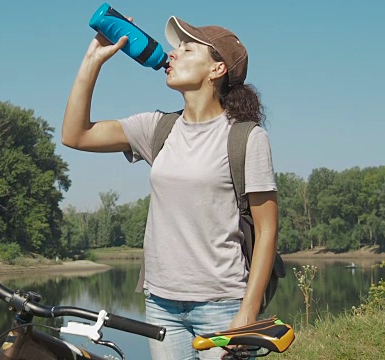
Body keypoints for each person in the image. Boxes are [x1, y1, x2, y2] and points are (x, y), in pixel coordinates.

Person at [62, 14, 278, 360]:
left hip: (222, 306)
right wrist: (93, 60)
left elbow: (267, 231)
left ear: (216, 70)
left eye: (187, 49)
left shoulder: (246, 138)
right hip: (161, 304)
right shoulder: (157, 128)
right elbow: (75, 135)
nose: (172, 54)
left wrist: (248, 313)